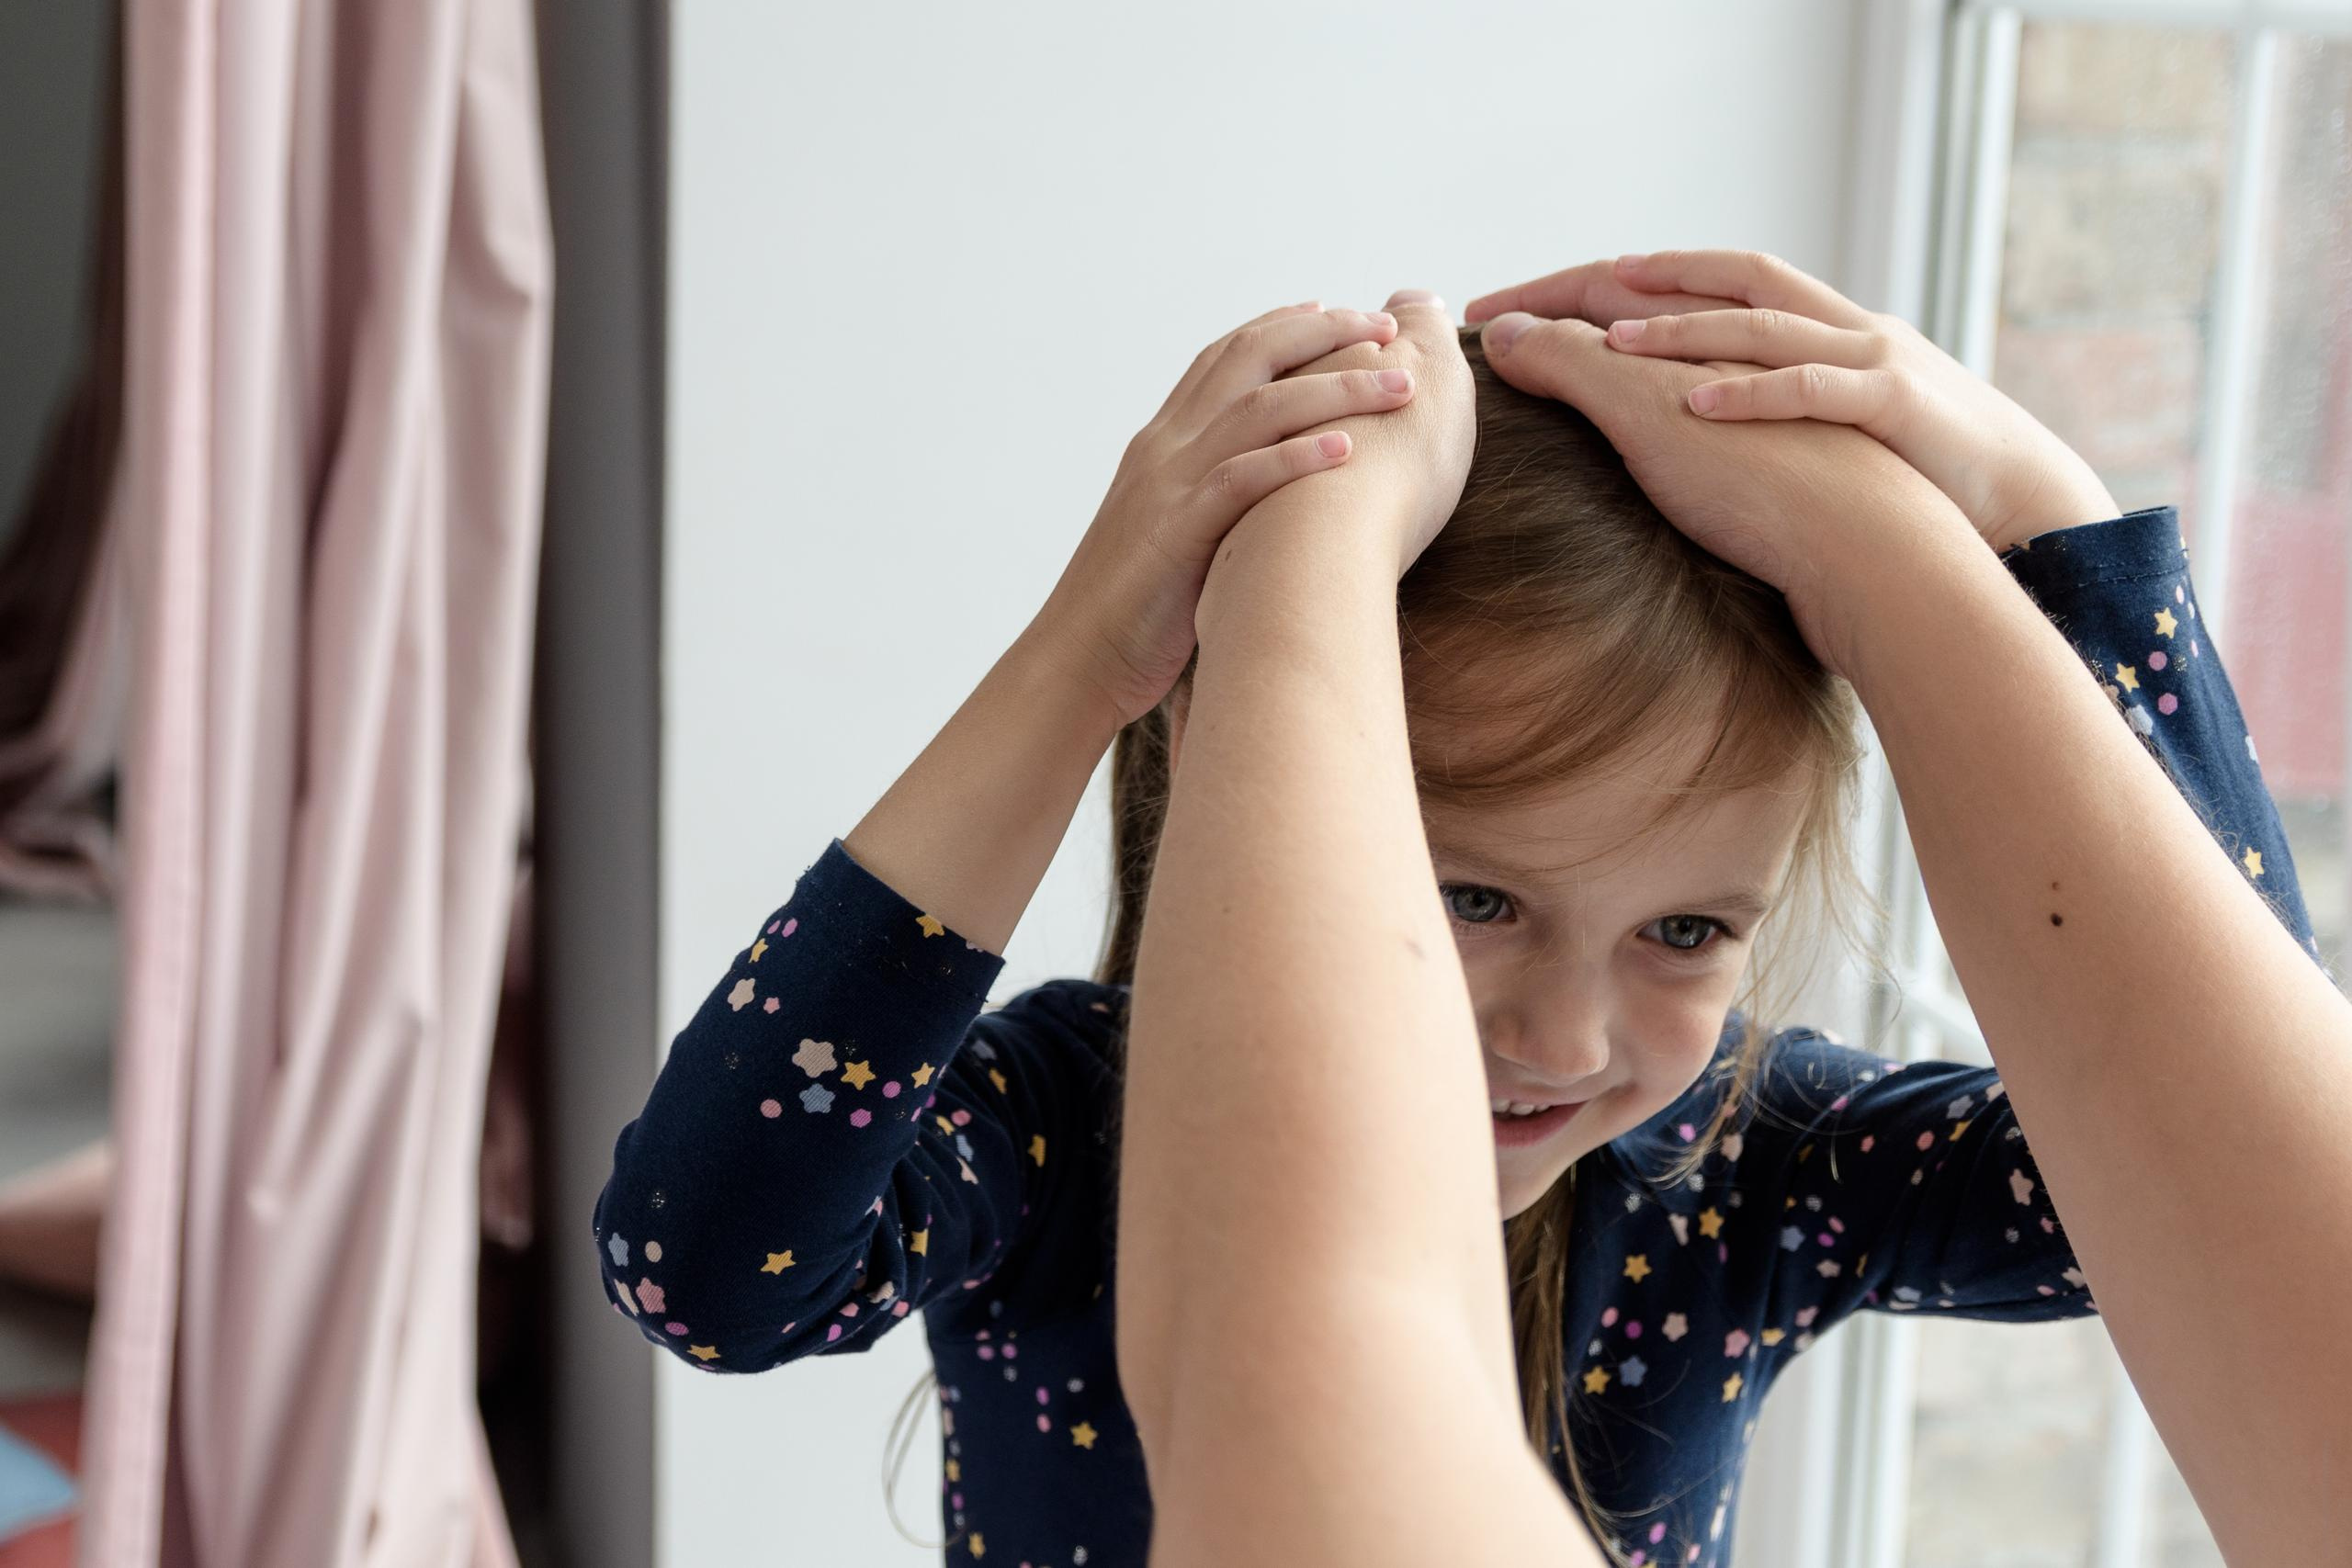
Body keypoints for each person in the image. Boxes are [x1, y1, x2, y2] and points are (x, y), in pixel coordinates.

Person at [591, 252, 2344, 1566]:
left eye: (1689, 932)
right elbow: (703, 1273)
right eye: (1476, 896)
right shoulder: (1068, 1122)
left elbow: (2199, 1173)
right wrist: (1086, 654)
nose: (1567, 1042)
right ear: (1267, 797)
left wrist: (2043, 514)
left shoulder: (1747, 1164)